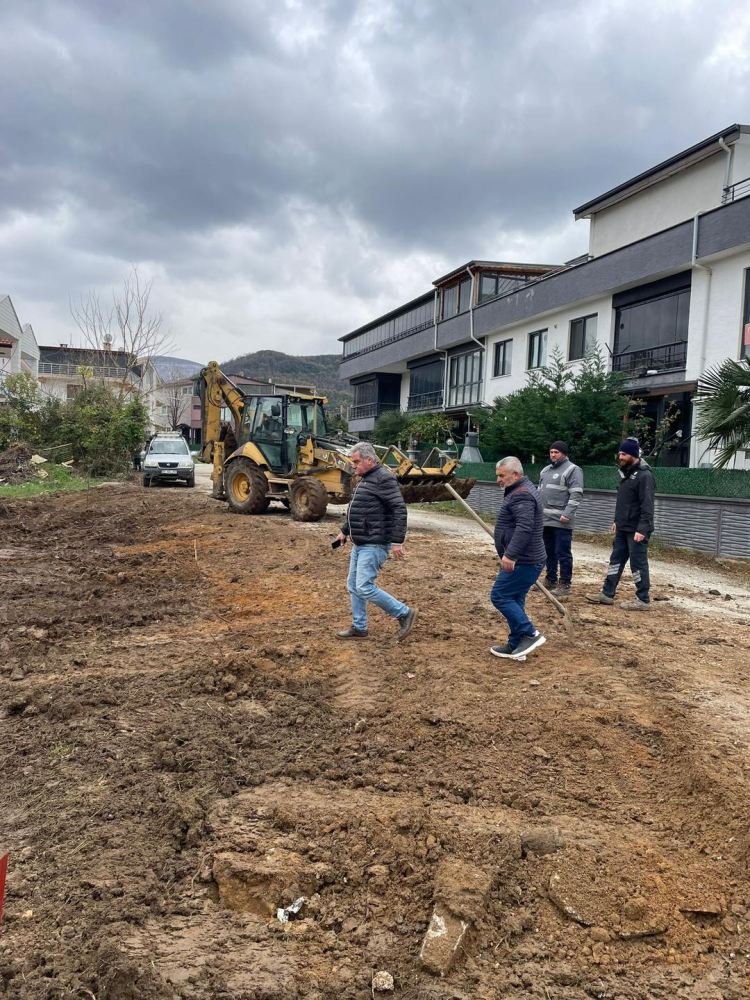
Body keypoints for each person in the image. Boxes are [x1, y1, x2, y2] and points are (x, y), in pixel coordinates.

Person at [335, 442, 417, 642]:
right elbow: (358, 509)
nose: (353, 465)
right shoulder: (365, 479)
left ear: (369, 460)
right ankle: (359, 627)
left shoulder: (383, 478)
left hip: (375, 542)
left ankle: (404, 613)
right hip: (361, 542)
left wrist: (397, 541)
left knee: (364, 586)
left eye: (356, 462)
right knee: (353, 585)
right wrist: (344, 531)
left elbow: (399, 509)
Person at [585, 438, 655, 611]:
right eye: (620, 454)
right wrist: (617, 521)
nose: (620, 457)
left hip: (636, 530)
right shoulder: (626, 474)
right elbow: (624, 502)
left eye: (623, 454)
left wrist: (642, 529)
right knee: (615, 560)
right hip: (623, 527)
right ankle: (607, 593)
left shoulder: (644, 476)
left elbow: (647, 506)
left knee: (638, 564)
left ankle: (643, 599)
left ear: (633, 454)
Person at [490, 457, 547, 660]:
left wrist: (511, 555)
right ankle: (517, 644)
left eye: (501, 475)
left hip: (525, 560)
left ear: (515, 475)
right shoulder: (520, 490)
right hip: (527, 559)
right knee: (514, 598)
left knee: (499, 595)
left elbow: (524, 527)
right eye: (497, 475)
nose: (498, 479)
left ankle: (530, 634)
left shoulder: (521, 495)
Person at [538, 440, 584, 596]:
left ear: (563, 453)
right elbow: (540, 493)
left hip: (561, 521)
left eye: (556, 452)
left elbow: (576, 493)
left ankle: (565, 583)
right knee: (548, 551)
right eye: (551, 452)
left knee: (563, 553)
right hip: (545, 520)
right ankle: (550, 579)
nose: (553, 455)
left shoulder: (573, 470)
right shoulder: (545, 471)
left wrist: (568, 513)